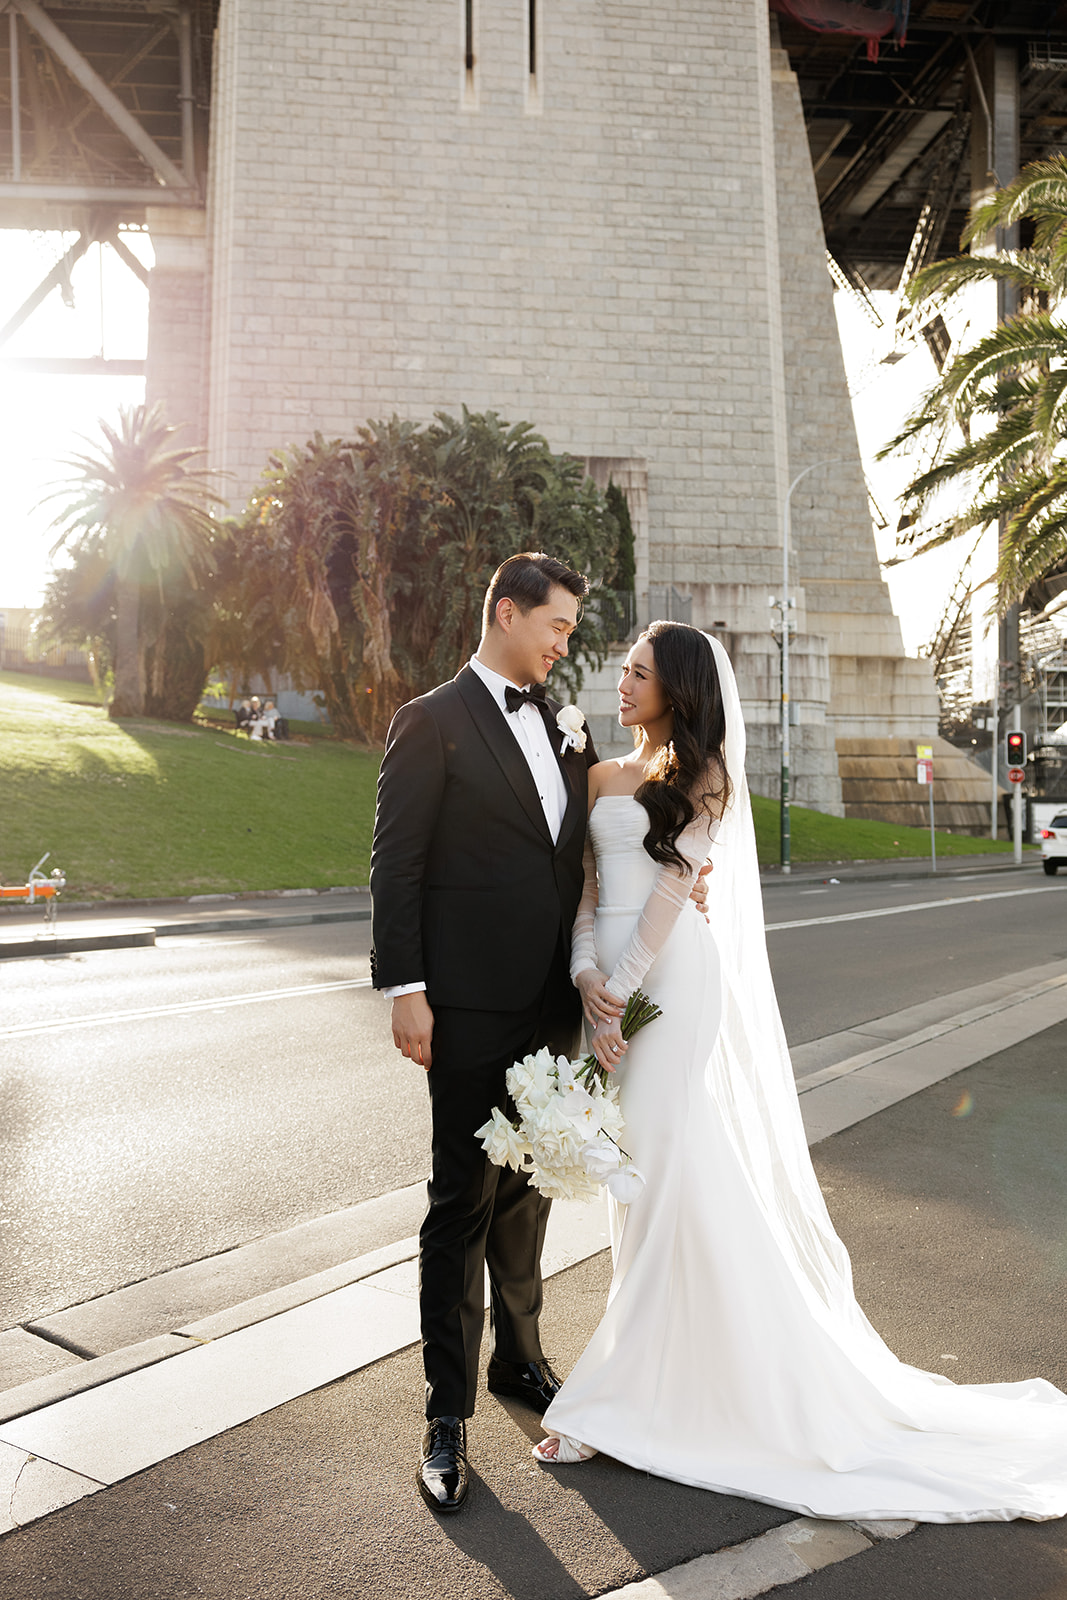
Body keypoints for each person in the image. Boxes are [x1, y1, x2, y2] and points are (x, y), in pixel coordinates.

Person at [533, 621, 1067, 1524]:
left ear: (677, 689)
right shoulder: (599, 774)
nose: (620, 684)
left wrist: (620, 987)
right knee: (640, 1184)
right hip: (607, 990)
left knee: (658, 1175)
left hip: (672, 982)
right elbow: (588, 886)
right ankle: (674, 1373)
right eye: (621, 670)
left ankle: (612, 1400)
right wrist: (587, 975)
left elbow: (673, 889)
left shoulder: (704, 776)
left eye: (638, 673)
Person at [370, 552, 598, 1514]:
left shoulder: (567, 726)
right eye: (555, 626)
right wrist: (406, 988)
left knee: (529, 1192)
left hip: (552, 1006)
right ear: (506, 612)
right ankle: (445, 1414)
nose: (563, 645)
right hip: (464, 1006)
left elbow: (586, 853)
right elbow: (396, 863)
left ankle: (521, 1359)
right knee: (461, 1201)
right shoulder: (429, 720)